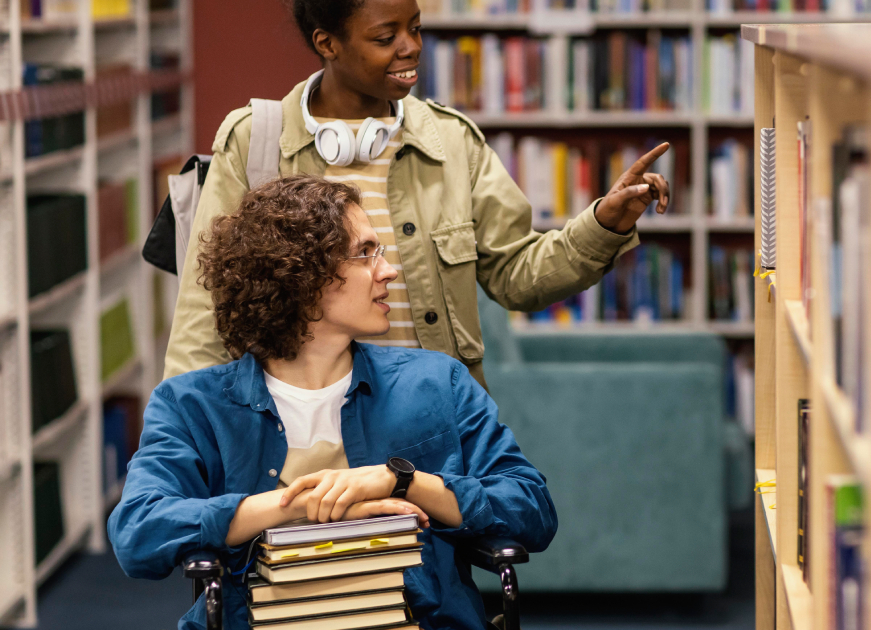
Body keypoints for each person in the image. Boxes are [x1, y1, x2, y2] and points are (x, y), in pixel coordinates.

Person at [110, 177, 557, 630]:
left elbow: (532, 509)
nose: (388, 271)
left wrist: (398, 482)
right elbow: (139, 531)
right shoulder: (191, 405)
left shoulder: (437, 381)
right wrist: (299, 506)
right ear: (301, 275)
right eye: (366, 253)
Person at [164, 0, 672, 386]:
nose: (411, 47)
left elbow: (518, 277)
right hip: (298, 433)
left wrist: (605, 223)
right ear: (327, 43)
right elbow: (205, 310)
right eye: (386, 36)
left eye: (415, 28)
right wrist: (182, 443)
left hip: (434, 426)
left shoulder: (451, 142)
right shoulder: (256, 142)